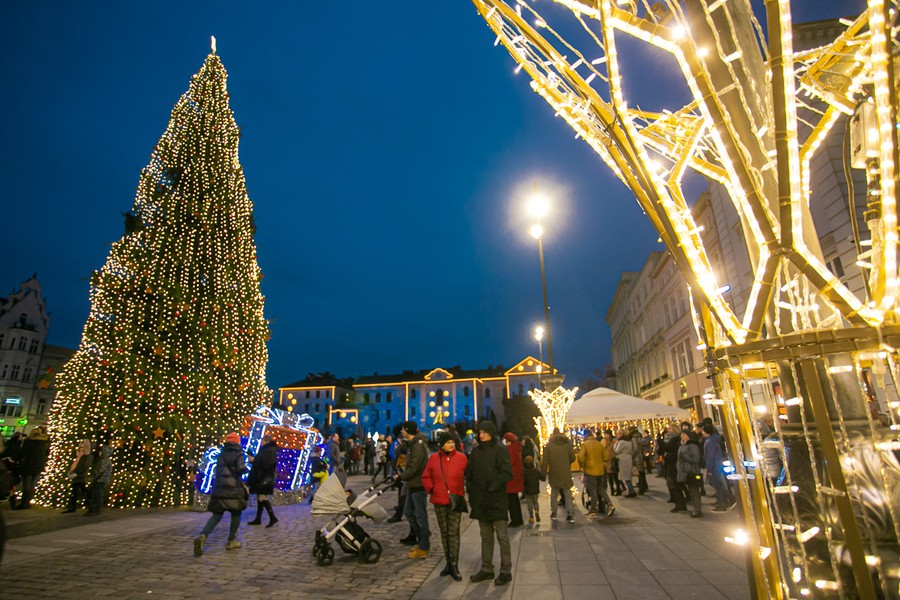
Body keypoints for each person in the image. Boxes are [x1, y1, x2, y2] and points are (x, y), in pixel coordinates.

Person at [466, 420, 513, 586]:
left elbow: (507, 473)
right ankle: (487, 568)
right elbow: (470, 472)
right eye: (480, 432)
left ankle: (506, 570)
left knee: (502, 536)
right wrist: (471, 488)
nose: (481, 435)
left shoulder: (501, 450)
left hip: (496, 499)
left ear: (492, 433)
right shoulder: (476, 451)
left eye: (485, 432)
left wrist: (494, 485)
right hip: (481, 499)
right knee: (485, 536)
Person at [422, 431, 467, 581]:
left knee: (454, 532)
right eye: (448, 442)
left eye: (452, 442)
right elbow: (426, 476)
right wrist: (432, 489)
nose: (451, 444)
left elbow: (468, 475)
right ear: (441, 444)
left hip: (456, 499)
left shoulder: (462, 458)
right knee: (444, 532)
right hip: (439, 499)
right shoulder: (434, 459)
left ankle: (454, 564)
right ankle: (448, 562)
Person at [194, 432, 249, 555]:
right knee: (236, 514)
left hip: (219, 488)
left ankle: (203, 535)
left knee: (216, 515)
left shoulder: (221, 454)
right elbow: (240, 469)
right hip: (233, 488)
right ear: (237, 441)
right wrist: (246, 466)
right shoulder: (238, 452)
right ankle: (231, 541)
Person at [397, 421, 430, 558]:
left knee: (421, 516)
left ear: (407, 430)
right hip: (412, 484)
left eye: (403, 429)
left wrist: (402, 476)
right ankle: (420, 540)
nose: (401, 432)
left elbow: (415, 467)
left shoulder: (418, 446)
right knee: (408, 512)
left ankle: (424, 546)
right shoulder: (412, 445)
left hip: (419, 485)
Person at [578, 429, 615, 517]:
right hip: (601, 470)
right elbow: (606, 457)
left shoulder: (585, 445)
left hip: (590, 470)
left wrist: (584, 465)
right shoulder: (599, 444)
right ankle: (610, 504)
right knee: (601, 489)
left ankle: (593, 509)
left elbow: (580, 457)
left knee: (593, 490)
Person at [542, 427, 576, 522]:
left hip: (554, 472)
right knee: (567, 493)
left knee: (554, 493)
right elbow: (573, 458)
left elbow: (545, 461)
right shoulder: (567, 445)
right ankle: (570, 514)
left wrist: (543, 473)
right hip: (565, 472)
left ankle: (554, 513)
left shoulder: (549, 446)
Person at [15, 426, 50, 510]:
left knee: (26, 485)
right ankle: (28, 501)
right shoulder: (44, 442)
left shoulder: (29, 441)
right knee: (31, 485)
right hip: (39, 465)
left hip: (28, 465)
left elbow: (23, 453)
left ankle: (24, 503)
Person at [702, 424, 736, 512]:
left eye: (703, 431)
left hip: (715, 466)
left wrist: (709, 468)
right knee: (719, 484)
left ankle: (724, 502)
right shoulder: (712, 440)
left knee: (718, 485)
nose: (702, 432)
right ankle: (726, 500)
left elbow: (710, 456)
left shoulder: (710, 442)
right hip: (717, 465)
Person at [247, 434, 278, 527]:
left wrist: (254, 460)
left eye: (263, 441)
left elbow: (266, 464)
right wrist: (254, 460)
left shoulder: (269, 451)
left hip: (263, 478)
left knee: (262, 498)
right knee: (259, 499)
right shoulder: (267, 450)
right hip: (260, 477)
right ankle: (258, 518)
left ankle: (272, 517)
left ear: (266, 441)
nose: (261, 443)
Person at [677, 430, 703, 518]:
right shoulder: (683, 445)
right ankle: (696, 509)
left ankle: (698, 510)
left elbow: (695, 459)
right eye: (681, 435)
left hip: (692, 472)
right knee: (692, 491)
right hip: (685, 472)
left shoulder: (692, 446)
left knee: (695, 492)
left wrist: (684, 457)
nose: (681, 436)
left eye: (683, 434)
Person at [63, 439, 93, 513]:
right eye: (80, 448)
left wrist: (76, 474)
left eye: (83, 448)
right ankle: (73, 506)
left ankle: (90, 504)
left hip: (80, 476)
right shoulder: (80, 456)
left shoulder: (88, 457)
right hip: (77, 476)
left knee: (80, 490)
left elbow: (84, 467)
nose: (81, 450)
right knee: (77, 491)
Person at [503, 432, 525, 527]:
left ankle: (515, 520)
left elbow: (509, 463)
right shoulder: (516, 448)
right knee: (514, 500)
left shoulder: (511, 450)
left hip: (511, 479)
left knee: (512, 501)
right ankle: (518, 519)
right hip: (515, 478)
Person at [85, 443, 113, 515]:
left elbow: (100, 470)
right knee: (96, 494)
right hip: (101, 480)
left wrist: (94, 476)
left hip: (100, 480)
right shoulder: (104, 460)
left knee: (97, 495)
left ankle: (95, 510)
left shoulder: (104, 460)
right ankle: (93, 509)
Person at [521, 454, 544, 524]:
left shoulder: (523, 472)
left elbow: (521, 480)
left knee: (529, 503)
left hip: (527, 491)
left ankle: (531, 516)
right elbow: (543, 478)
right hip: (535, 490)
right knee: (535, 502)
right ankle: (536, 511)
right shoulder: (536, 471)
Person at [614, 430, 637, 497]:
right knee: (627, 476)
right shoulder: (628, 440)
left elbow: (617, 451)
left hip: (623, 459)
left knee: (626, 477)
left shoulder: (622, 442)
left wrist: (615, 444)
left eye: (619, 434)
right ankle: (631, 490)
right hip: (628, 458)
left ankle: (631, 491)